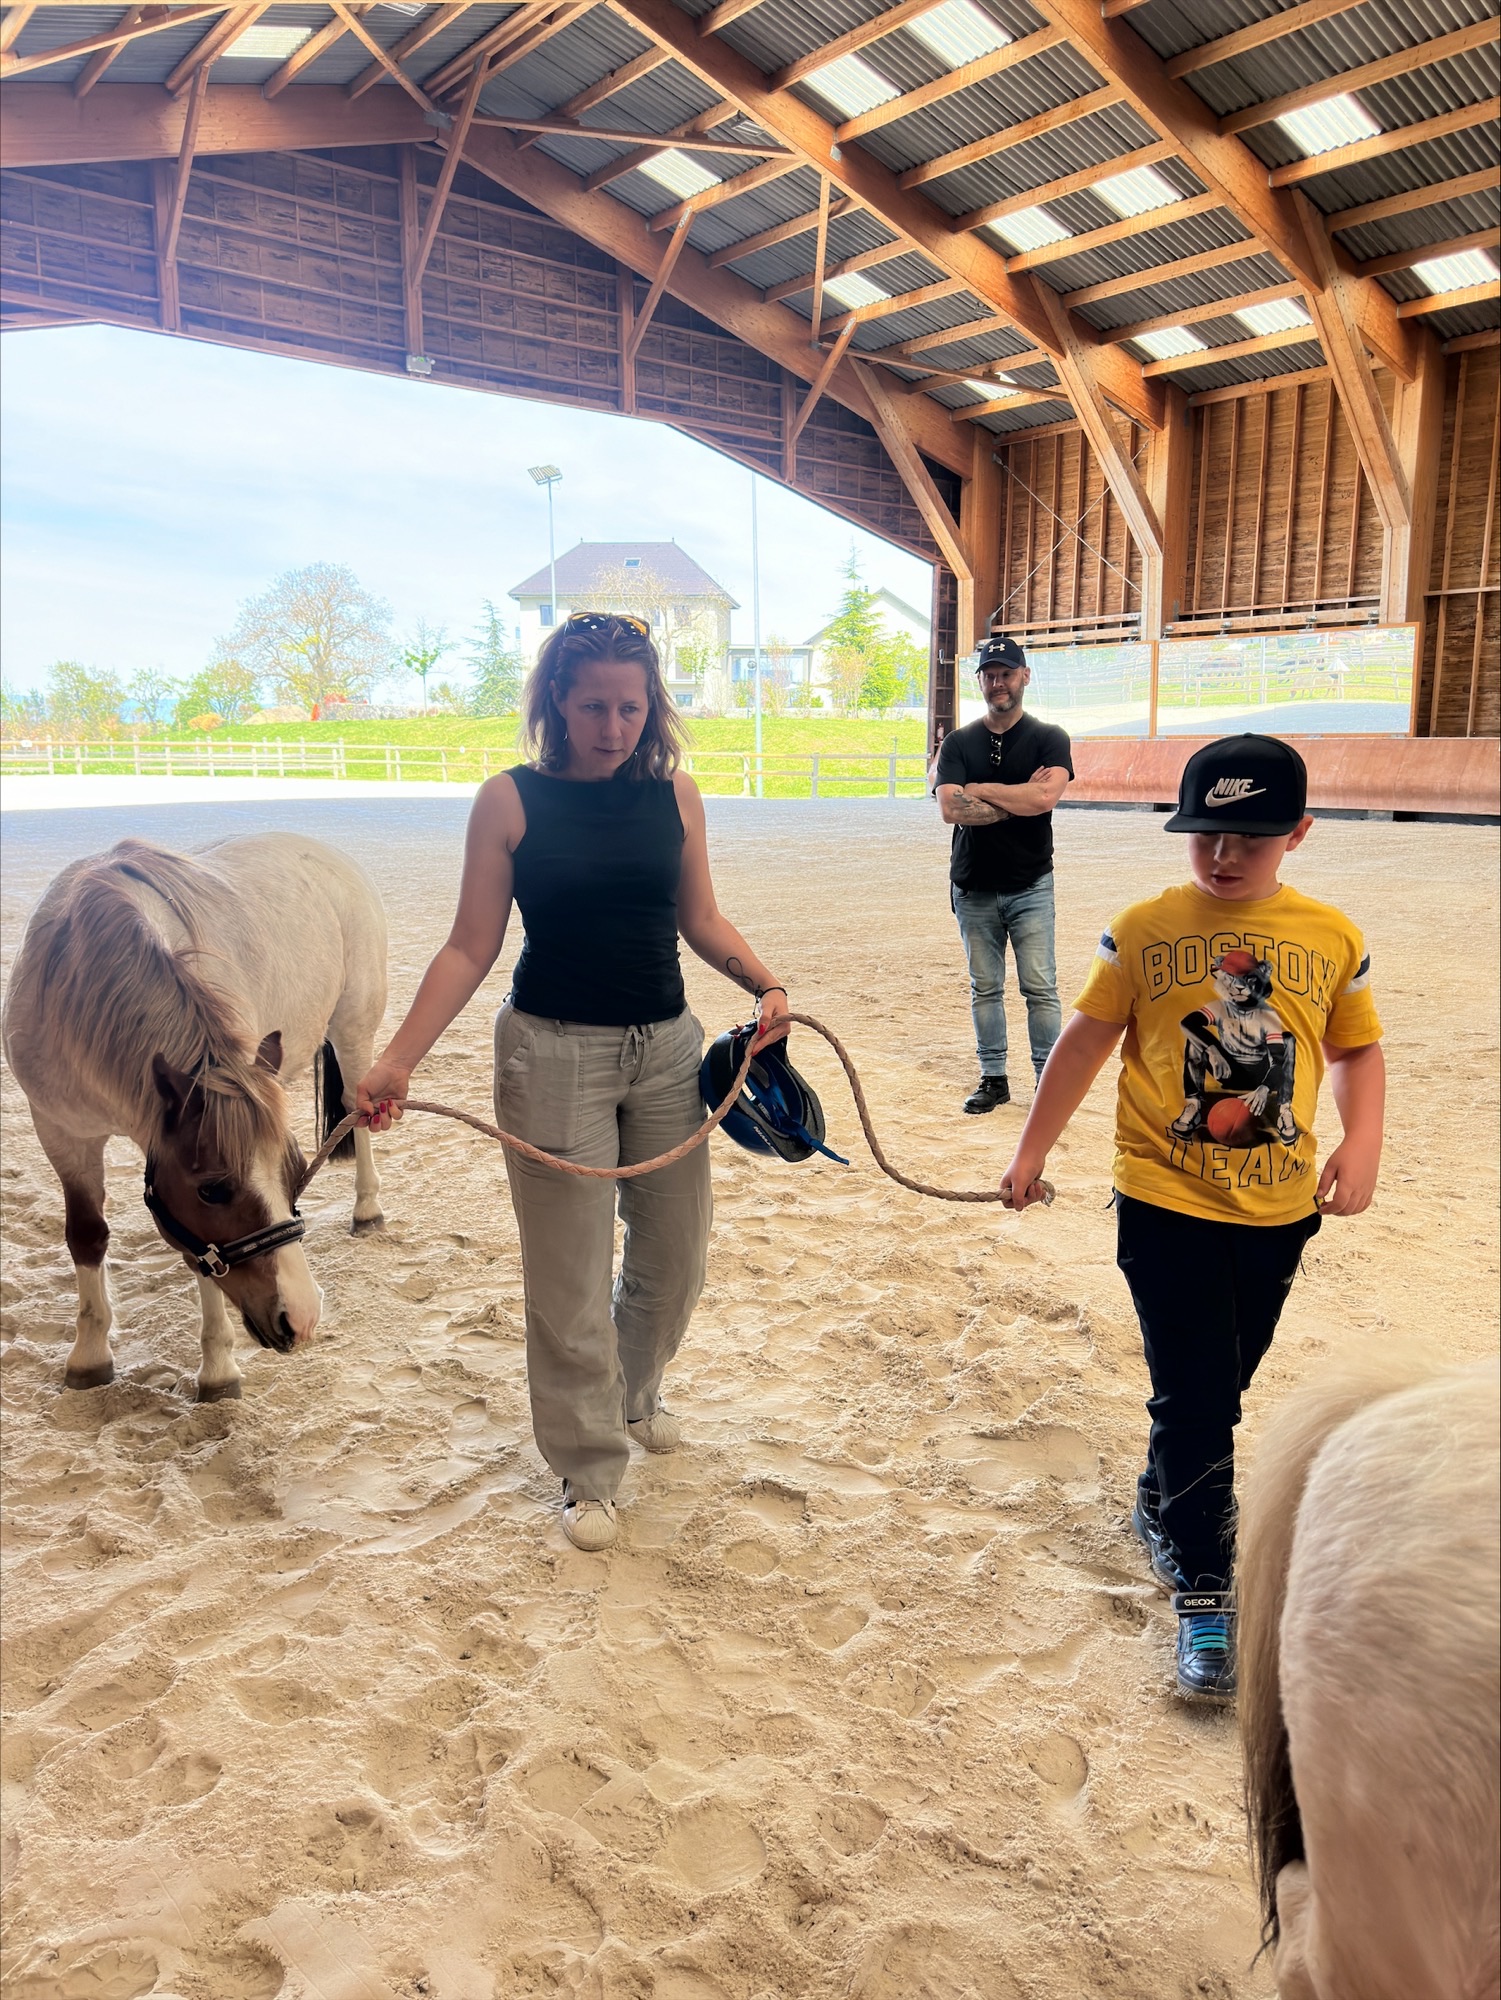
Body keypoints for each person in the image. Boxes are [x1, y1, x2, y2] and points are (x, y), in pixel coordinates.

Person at [356, 613, 790, 1554]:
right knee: (568, 1275)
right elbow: (471, 944)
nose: (613, 725)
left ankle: (632, 1399)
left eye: (631, 706)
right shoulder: (508, 801)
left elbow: (700, 916)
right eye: (593, 705)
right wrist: (397, 1060)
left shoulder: (676, 792)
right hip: (550, 1055)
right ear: (557, 698)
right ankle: (587, 1467)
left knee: (675, 1254)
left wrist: (764, 983)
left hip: (668, 1048)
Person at [999, 736, 1385, 1703]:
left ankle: (1159, 1496)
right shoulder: (1139, 929)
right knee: (1197, 1398)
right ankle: (1206, 1595)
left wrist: (1362, 1138)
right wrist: (1031, 1151)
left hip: (1279, 1208)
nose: (1223, 854)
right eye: (1205, 832)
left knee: (1224, 1382)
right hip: (1163, 1200)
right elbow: (1084, 1045)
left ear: (1296, 833)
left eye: (1249, 837)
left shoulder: (1332, 936)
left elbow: (1352, 1048)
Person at [932, 634, 1073, 1114]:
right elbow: (952, 809)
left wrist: (982, 788)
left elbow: (1044, 799)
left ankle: (1046, 1081)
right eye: (990, 675)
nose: (998, 683)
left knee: (1040, 987)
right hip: (973, 886)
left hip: (1030, 884)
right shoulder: (959, 741)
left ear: (1024, 676)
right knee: (985, 987)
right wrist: (1018, 799)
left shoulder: (1049, 738)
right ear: (980, 680)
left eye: (1007, 673)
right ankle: (994, 1077)